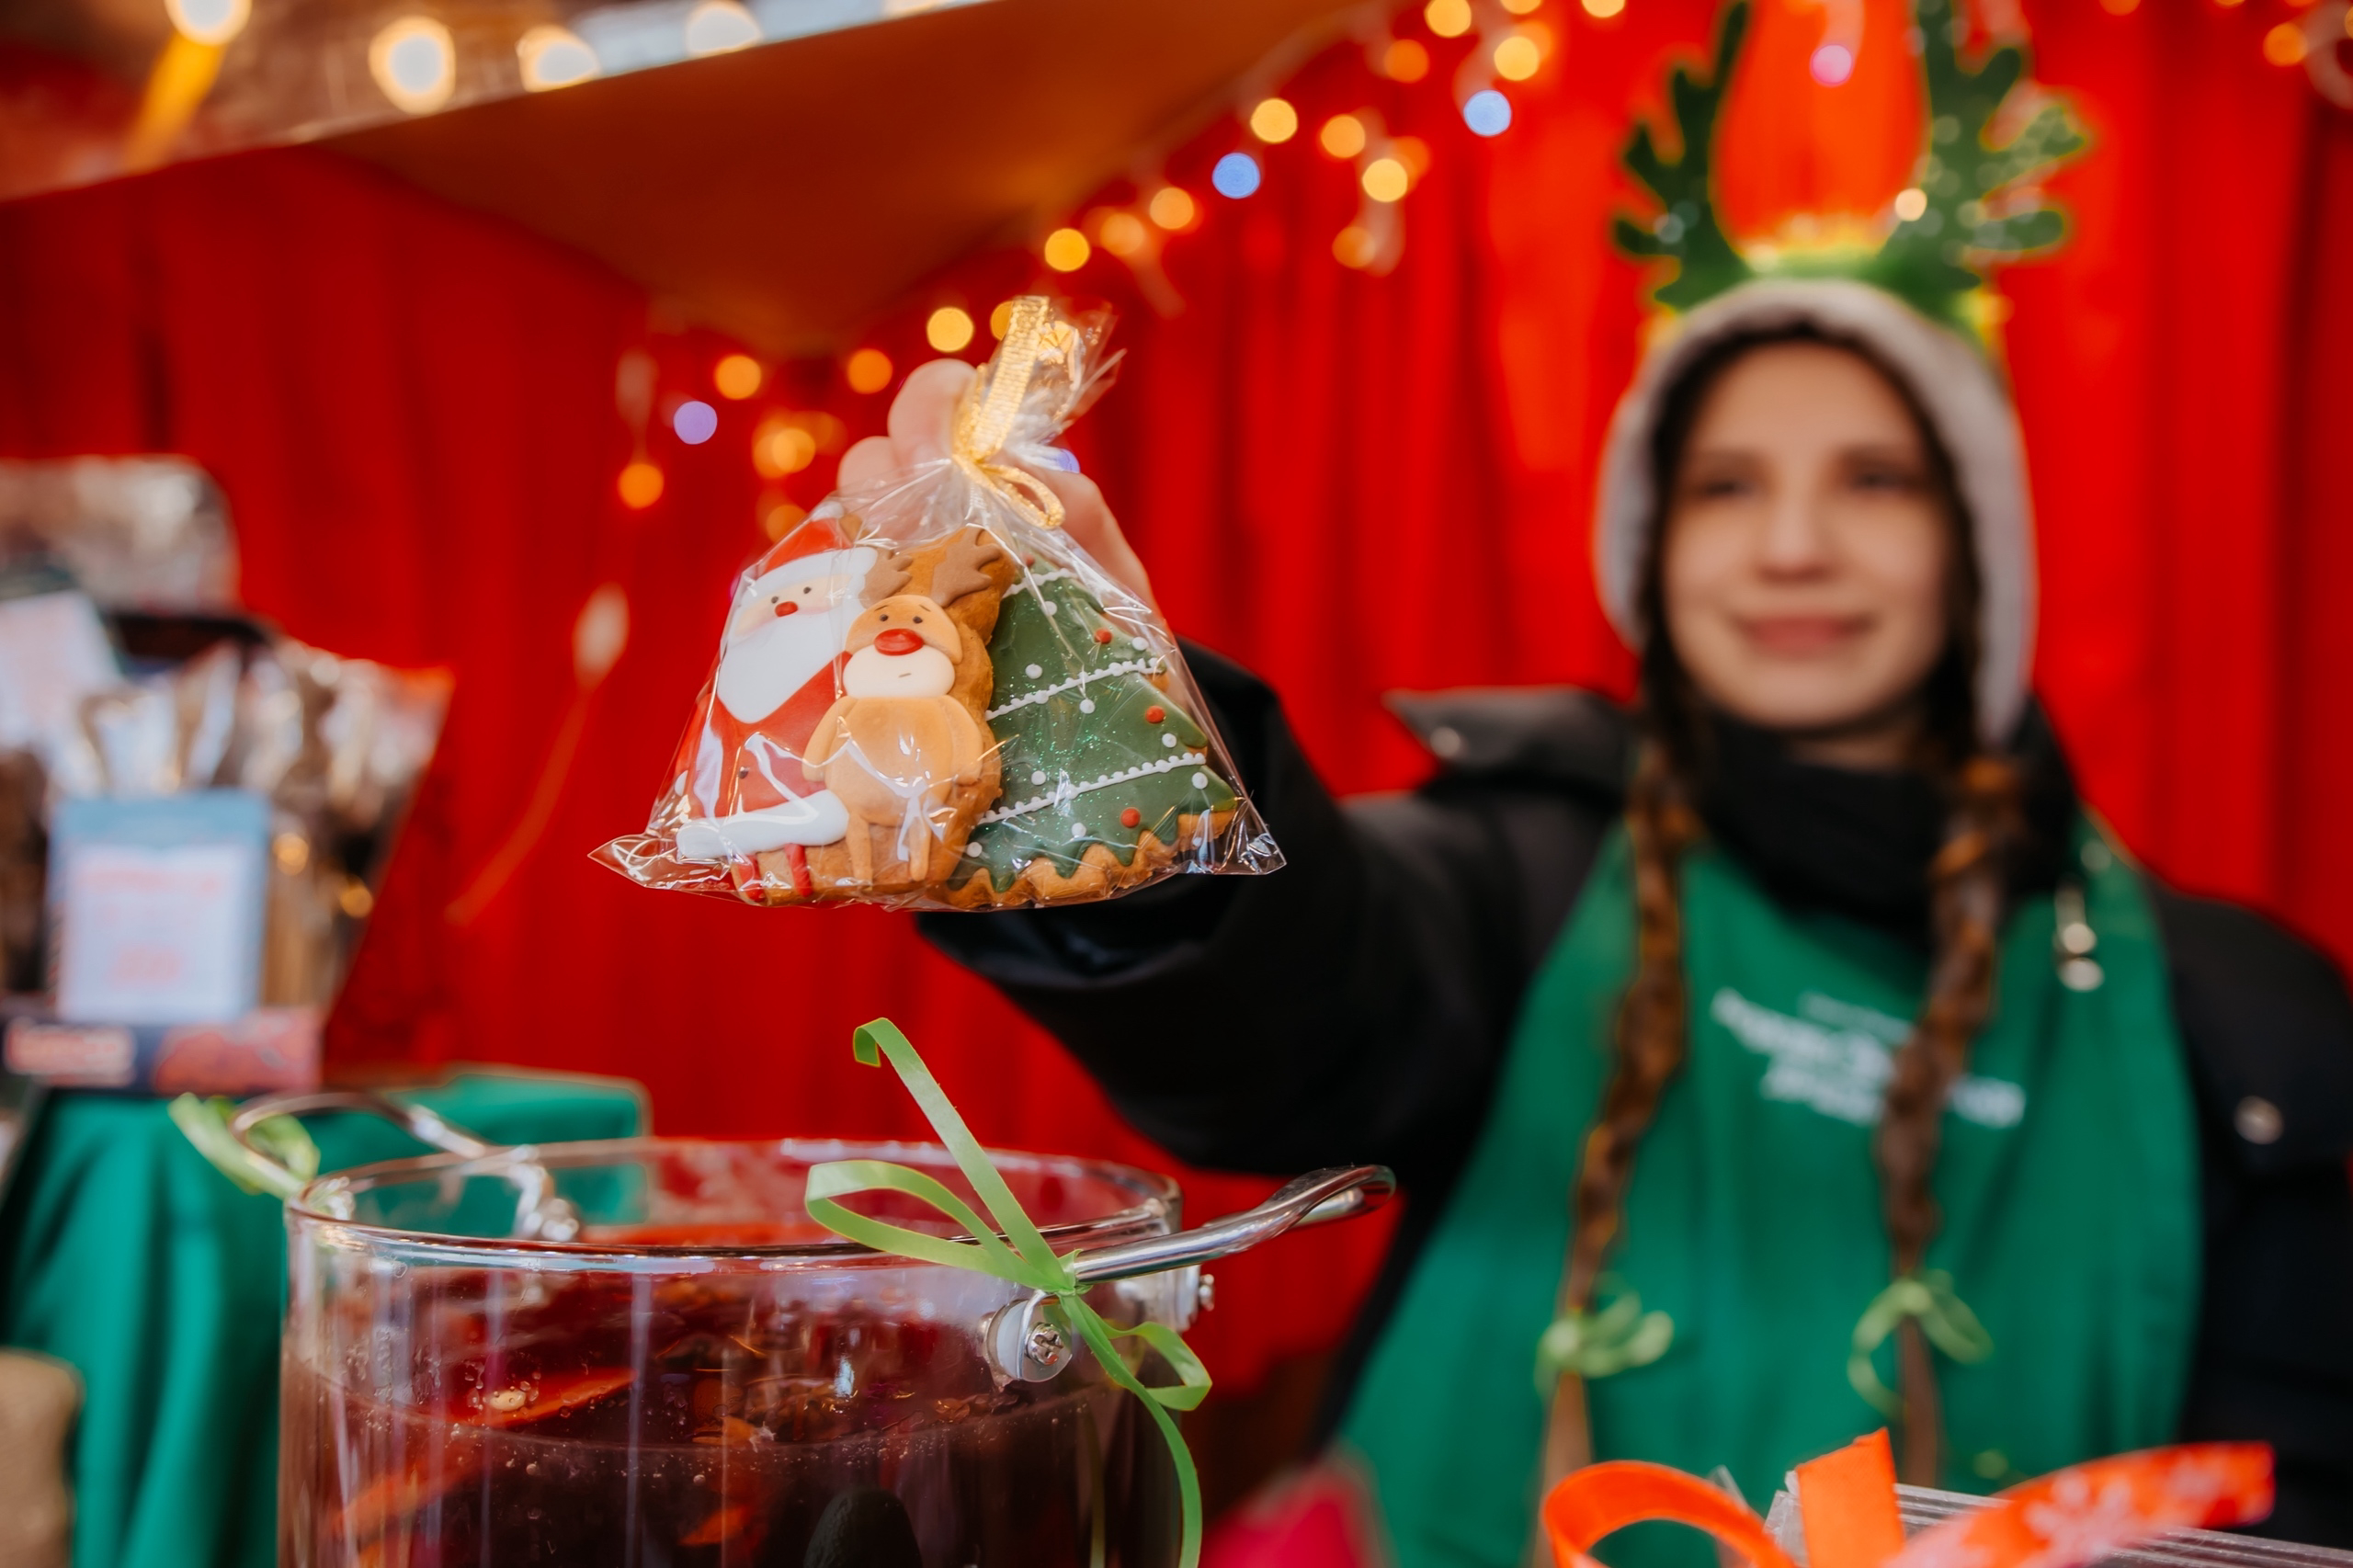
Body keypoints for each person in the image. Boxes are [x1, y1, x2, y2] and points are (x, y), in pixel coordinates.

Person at [841, 108, 2353, 1568]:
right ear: (1655, 547)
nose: (1791, 543)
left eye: (1875, 481)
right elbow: (1293, 996)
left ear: (1978, 541)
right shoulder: (1535, 865)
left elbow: (2287, 1499)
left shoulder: (2232, 1017)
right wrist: (1108, 757)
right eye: (1726, 487)